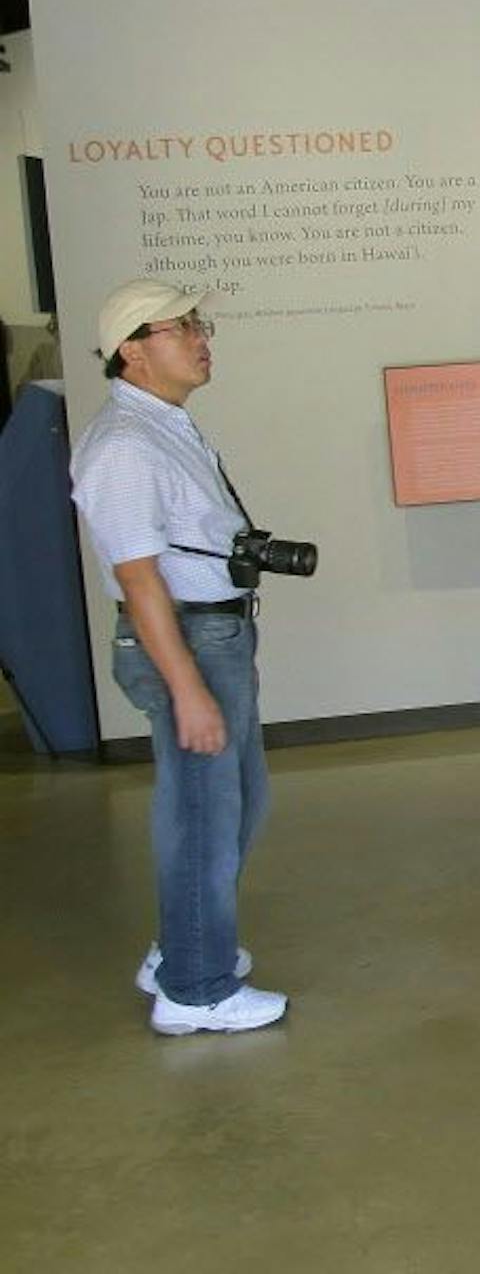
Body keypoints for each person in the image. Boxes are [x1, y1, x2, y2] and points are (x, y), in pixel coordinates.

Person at [70, 280, 289, 1035]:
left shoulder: (164, 424)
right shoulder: (124, 446)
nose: (202, 339)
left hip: (214, 634)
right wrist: (187, 687)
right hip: (184, 641)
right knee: (203, 815)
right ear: (133, 350)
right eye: (181, 327)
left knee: (238, 804)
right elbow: (138, 577)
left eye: (201, 324)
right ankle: (195, 991)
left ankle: (179, 951)